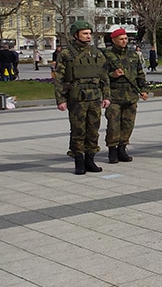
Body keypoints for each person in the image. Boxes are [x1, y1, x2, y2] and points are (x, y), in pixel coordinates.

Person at [54, 21, 110, 175]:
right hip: (76, 98)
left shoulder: (97, 53)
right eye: (85, 33)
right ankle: (79, 161)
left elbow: (104, 76)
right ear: (75, 35)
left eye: (89, 33)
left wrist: (106, 96)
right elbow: (59, 78)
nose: (88, 36)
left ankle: (90, 159)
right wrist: (61, 99)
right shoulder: (66, 54)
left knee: (93, 130)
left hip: (94, 97)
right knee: (78, 130)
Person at [103, 28, 148, 164]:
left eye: (125, 39)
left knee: (128, 124)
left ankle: (122, 148)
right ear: (114, 40)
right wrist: (113, 75)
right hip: (114, 96)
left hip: (131, 95)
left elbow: (140, 73)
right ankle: (112, 150)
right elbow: (101, 76)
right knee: (113, 125)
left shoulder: (133, 55)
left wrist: (143, 89)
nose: (124, 41)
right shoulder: (107, 55)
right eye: (121, 39)